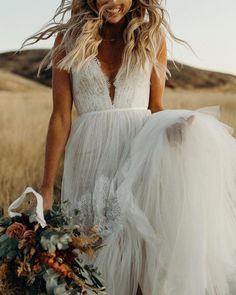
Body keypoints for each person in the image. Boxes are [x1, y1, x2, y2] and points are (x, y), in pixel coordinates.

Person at [22, 0, 236, 294]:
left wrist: (173, 129)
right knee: (90, 255)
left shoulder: (152, 38)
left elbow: (156, 106)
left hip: (140, 155)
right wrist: (46, 187)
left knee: (140, 252)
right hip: (89, 158)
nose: (111, 2)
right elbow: (60, 116)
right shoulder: (67, 39)